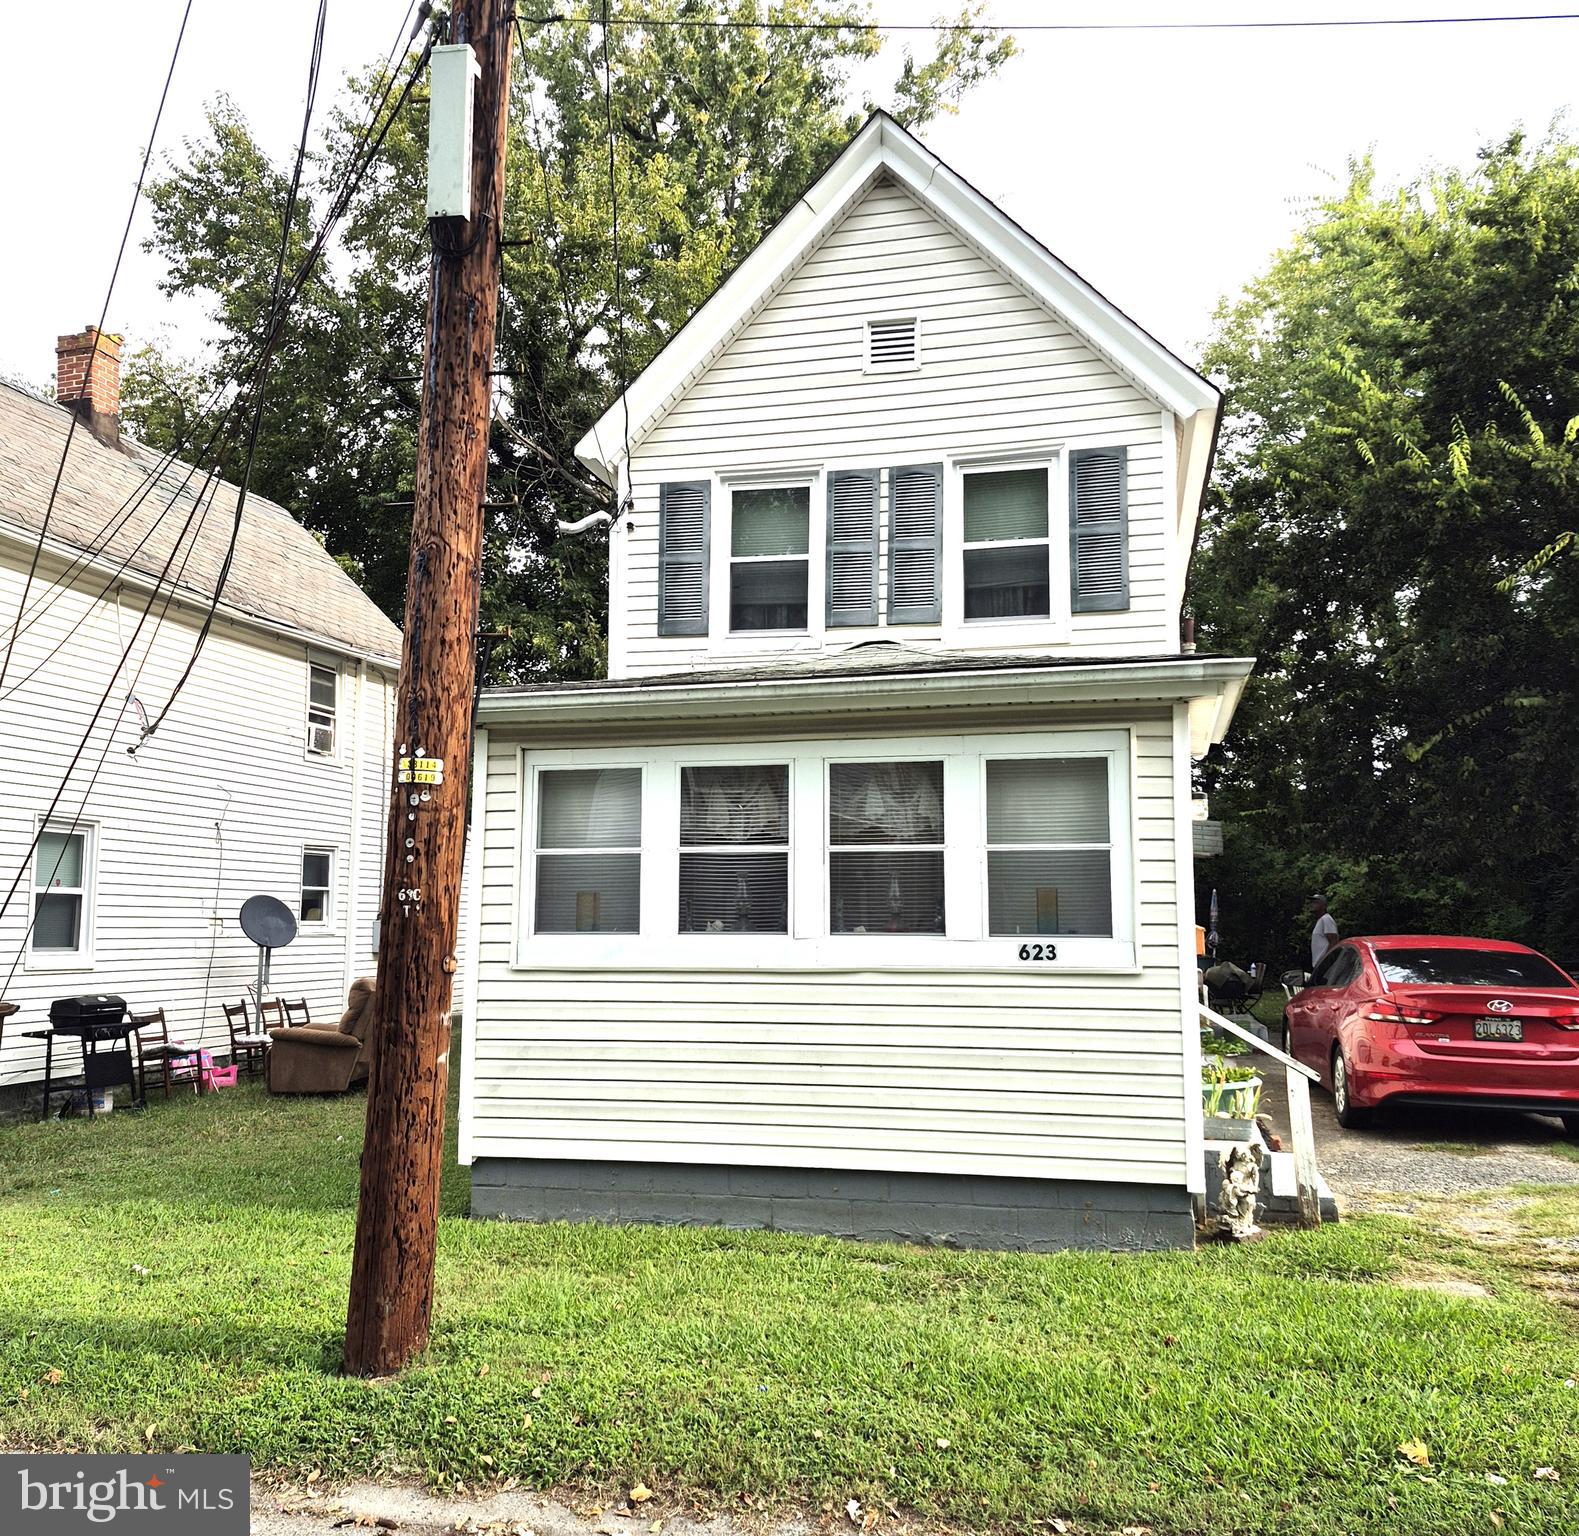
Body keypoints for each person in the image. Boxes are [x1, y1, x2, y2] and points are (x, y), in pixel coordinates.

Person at [1309, 893, 1339, 971]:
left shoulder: (1326, 919)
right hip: (1319, 966)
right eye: (1311, 902)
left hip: (1324, 967)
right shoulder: (1320, 920)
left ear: (1323, 905)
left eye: (1315, 902)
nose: (1312, 904)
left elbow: (1334, 942)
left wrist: (1325, 963)